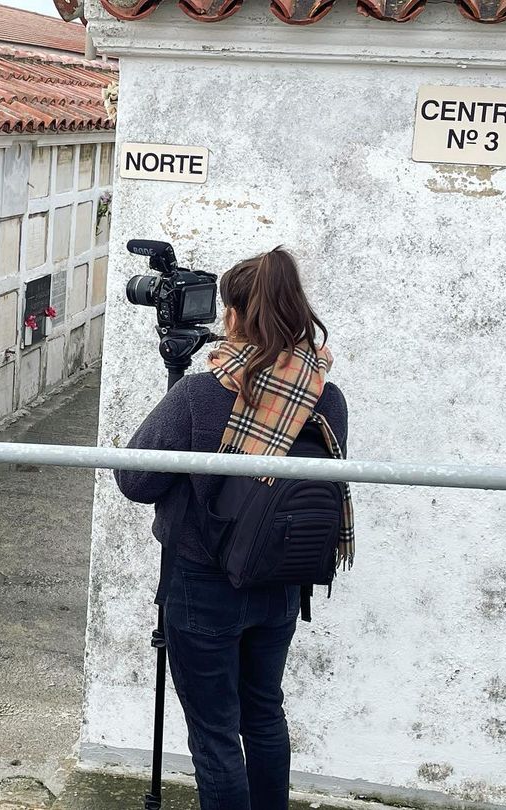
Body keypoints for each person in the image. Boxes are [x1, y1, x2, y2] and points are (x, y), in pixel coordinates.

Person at [115, 248, 351, 809]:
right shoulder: (326, 395)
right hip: (281, 585)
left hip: (201, 585)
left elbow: (135, 479)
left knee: (215, 733)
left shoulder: (203, 391)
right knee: (263, 713)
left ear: (237, 315)